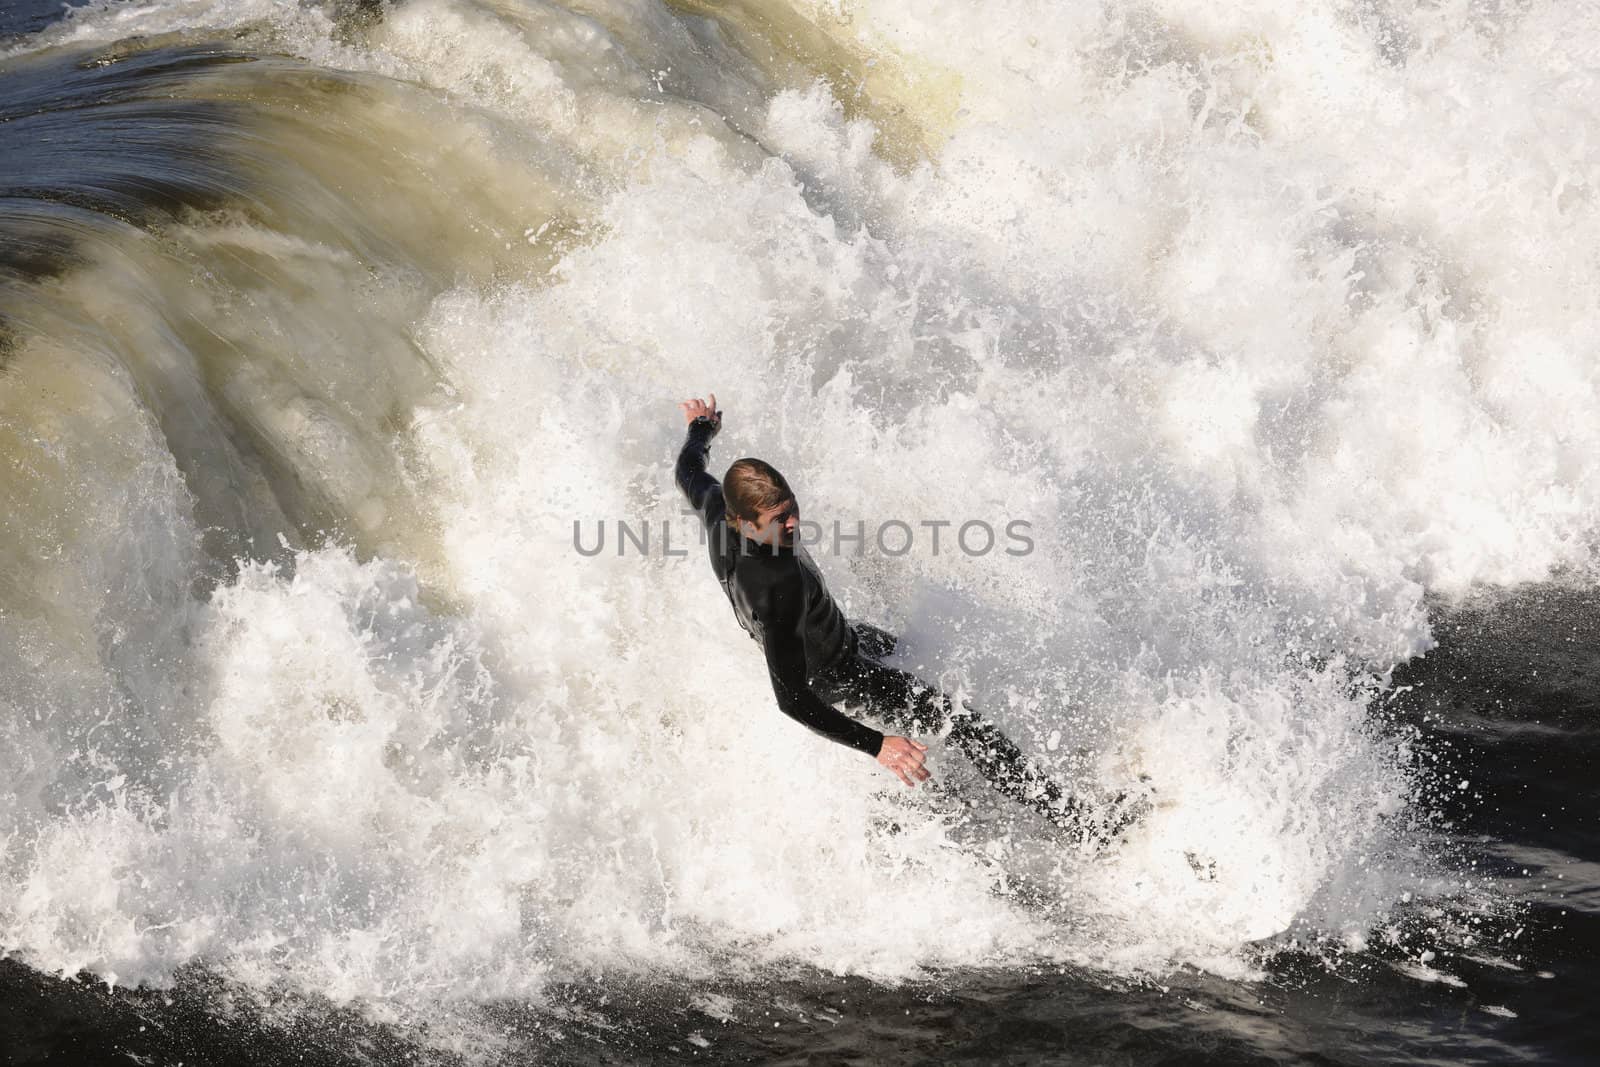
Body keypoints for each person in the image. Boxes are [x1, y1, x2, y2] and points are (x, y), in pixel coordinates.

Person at [673, 393, 1143, 844]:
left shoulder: (718, 509)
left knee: (905, 647)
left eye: (792, 509)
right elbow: (792, 699)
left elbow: (688, 469)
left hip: (843, 637)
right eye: (780, 521)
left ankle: (959, 777)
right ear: (746, 523)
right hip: (842, 678)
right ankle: (1080, 824)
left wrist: (701, 430)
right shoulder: (776, 590)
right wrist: (878, 745)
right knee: (965, 724)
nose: (794, 525)